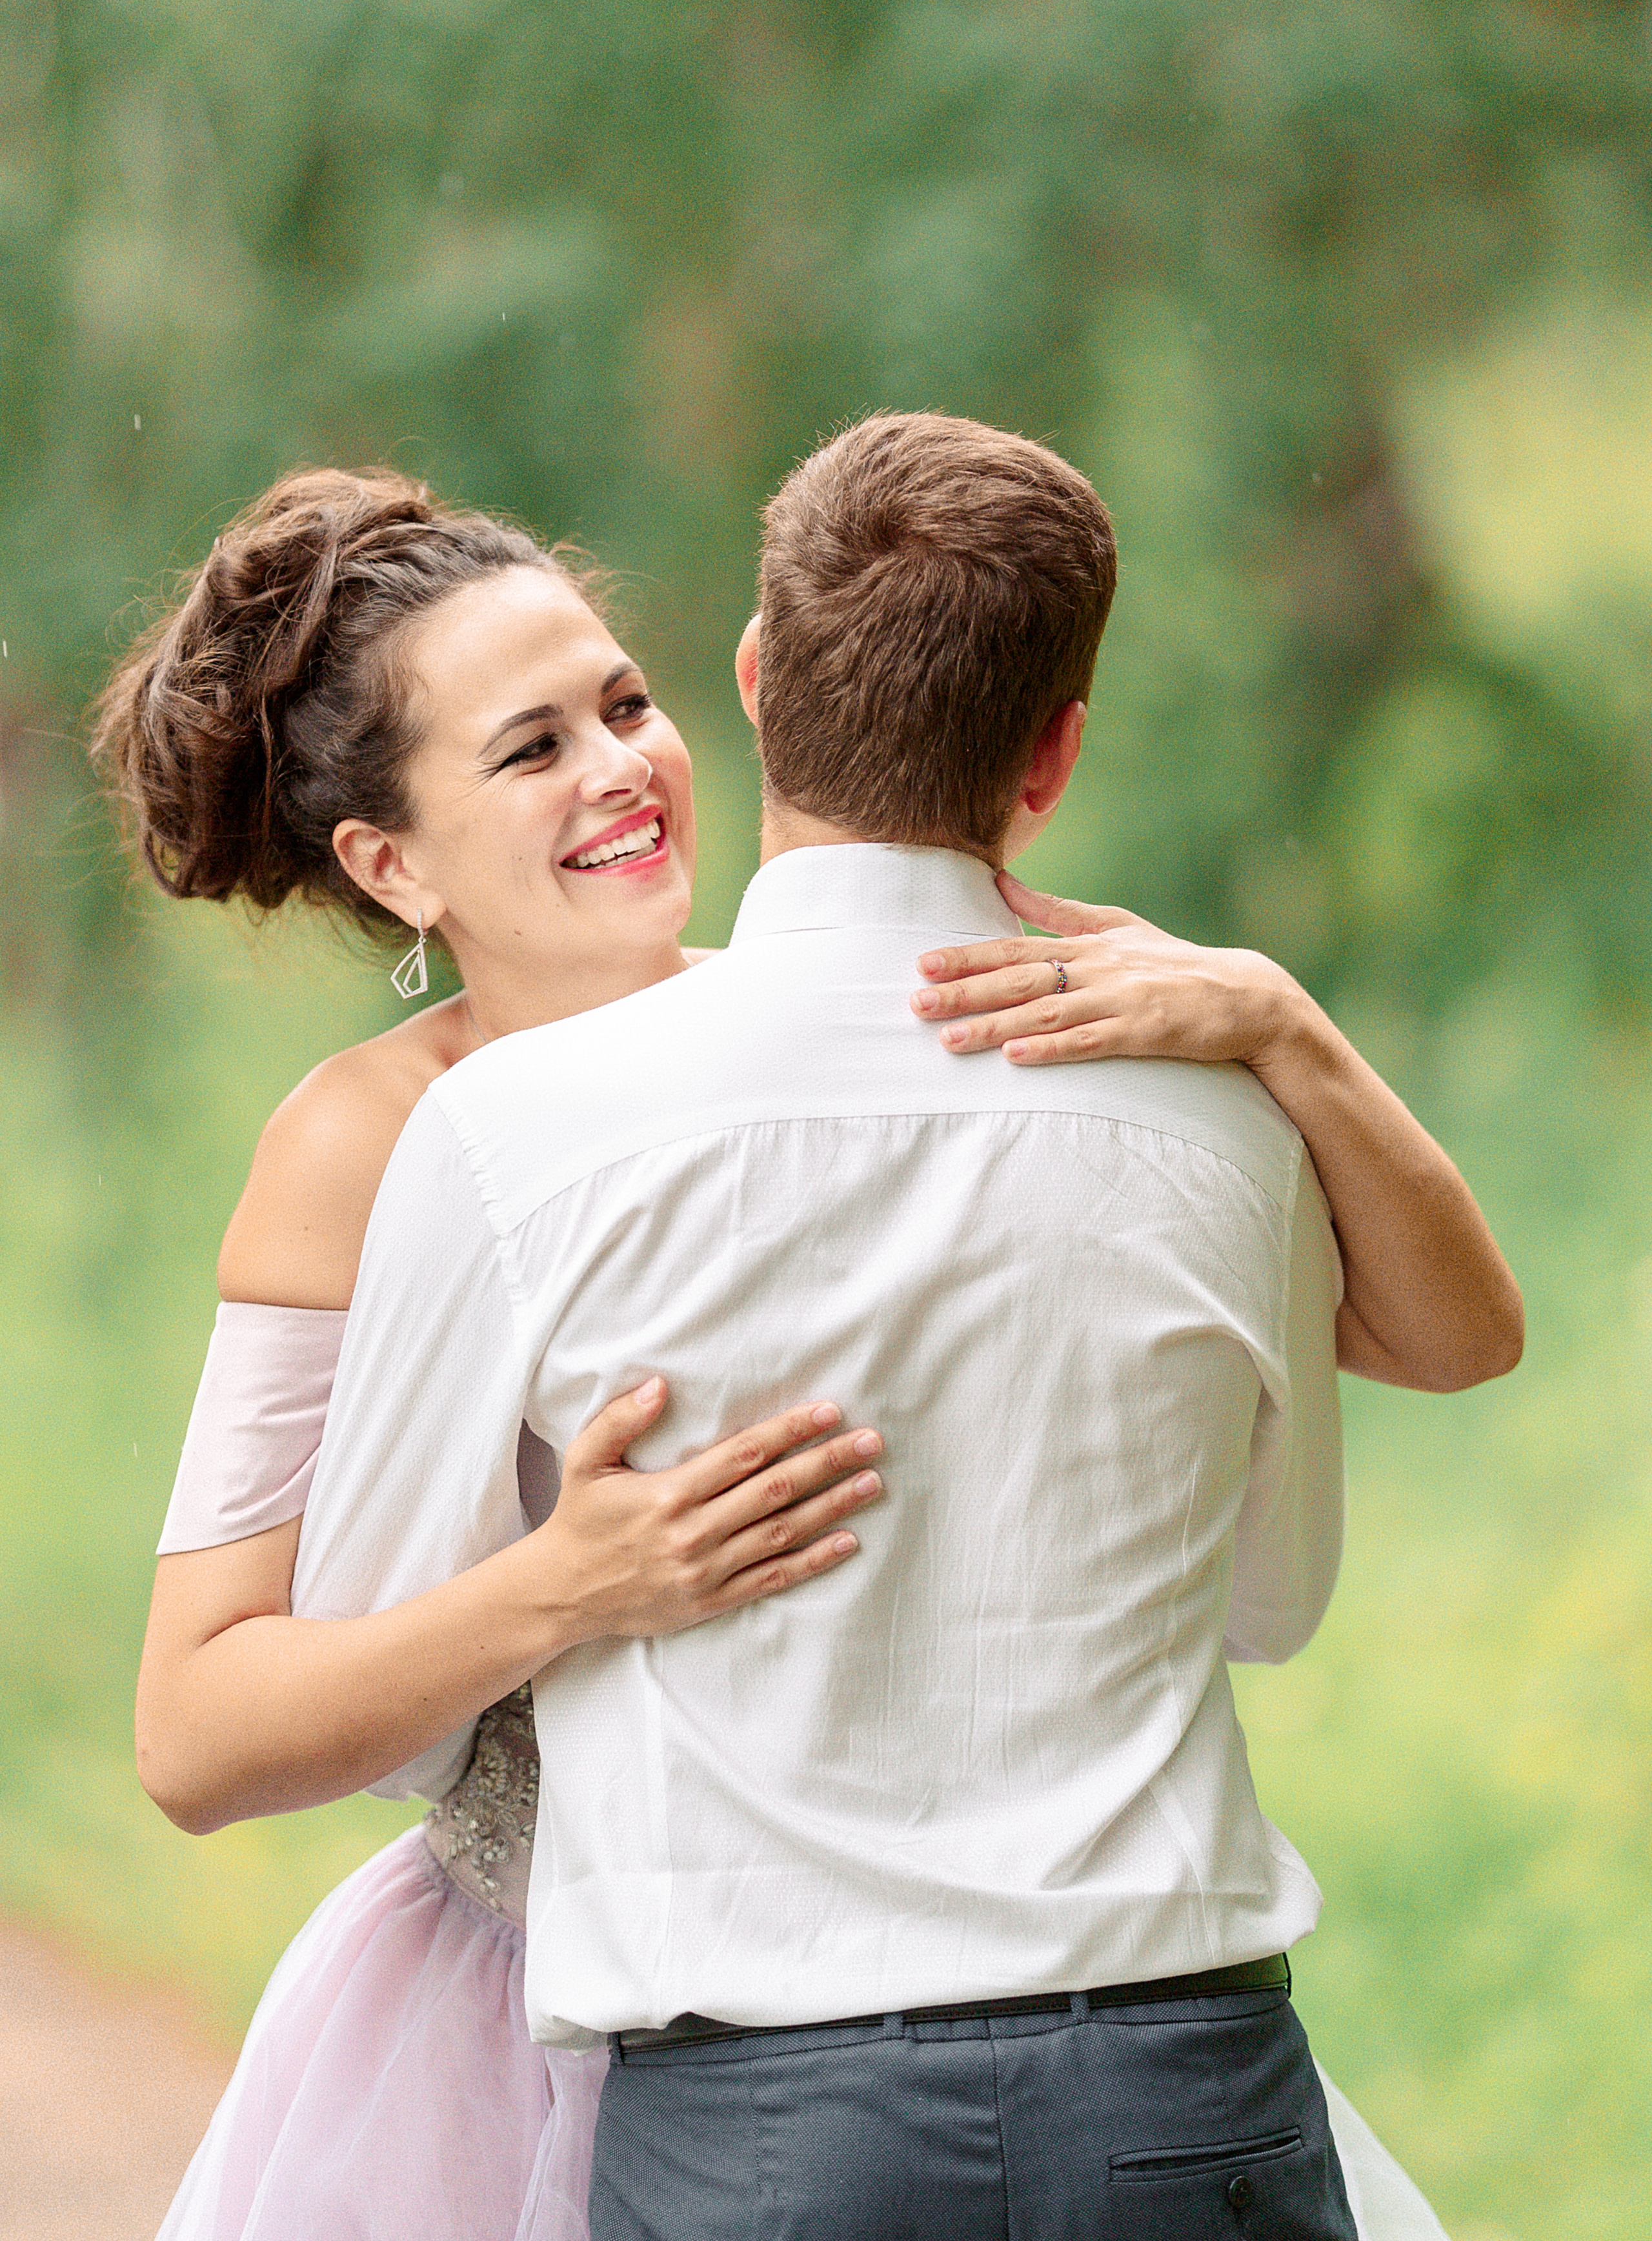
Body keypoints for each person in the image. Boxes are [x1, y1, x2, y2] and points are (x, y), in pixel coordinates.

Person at [92, 459, 1506, 2240]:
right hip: (549, 2027)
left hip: (932, 2001)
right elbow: (197, 1727)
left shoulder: (863, 1030)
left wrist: (1277, 1032)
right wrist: (569, 1586)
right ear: (388, 860)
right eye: (532, 751)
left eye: (626, 703)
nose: (620, 768)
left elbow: (1415, 1332)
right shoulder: (366, 1144)